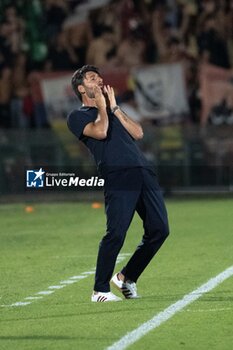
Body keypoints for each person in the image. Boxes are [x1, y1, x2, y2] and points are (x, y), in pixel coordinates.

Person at [67, 65, 169, 302]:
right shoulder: (77, 116)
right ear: (82, 88)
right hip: (118, 175)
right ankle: (100, 290)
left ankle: (126, 277)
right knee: (116, 232)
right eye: (93, 78)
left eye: (99, 77)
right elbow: (100, 132)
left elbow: (138, 132)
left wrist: (114, 108)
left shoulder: (112, 111)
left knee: (160, 229)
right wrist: (103, 108)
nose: (100, 80)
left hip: (142, 171)